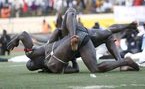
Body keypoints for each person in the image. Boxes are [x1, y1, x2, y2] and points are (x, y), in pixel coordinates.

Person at [7, 7, 139, 73]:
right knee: (107, 34)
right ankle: (123, 61)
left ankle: (123, 62)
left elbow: (75, 69)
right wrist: (16, 39)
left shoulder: (48, 60)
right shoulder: (47, 56)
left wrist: (17, 39)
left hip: (77, 39)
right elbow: (26, 34)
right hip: (83, 38)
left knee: (96, 67)